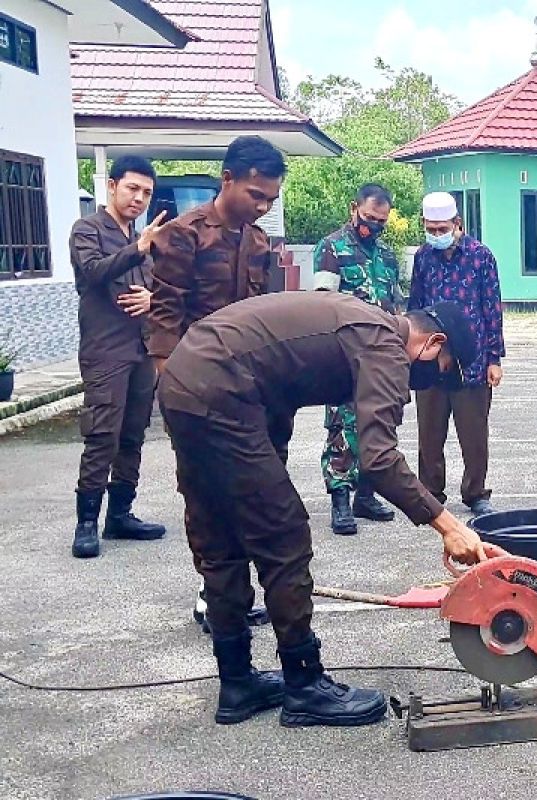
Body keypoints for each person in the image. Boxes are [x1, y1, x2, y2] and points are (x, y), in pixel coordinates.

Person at [157, 291, 503, 727]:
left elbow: (279, 383)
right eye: (440, 371)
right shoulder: (385, 345)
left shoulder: (363, 323)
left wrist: (269, 460)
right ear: (432, 344)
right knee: (283, 534)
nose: (430, 382)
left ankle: (237, 682)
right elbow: (378, 459)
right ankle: (304, 686)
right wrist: (448, 525)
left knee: (222, 531)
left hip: (187, 377)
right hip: (221, 388)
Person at [147, 135, 287, 631]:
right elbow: (164, 318)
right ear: (227, 179)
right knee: (206, 493)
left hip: (250, 390)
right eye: (255, 194)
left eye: (270, 198)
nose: (263, 206)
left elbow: (270, 316)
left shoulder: (259, 241)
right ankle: (212, 592)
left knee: (255, 491)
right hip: (197, 388)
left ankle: (241, 587)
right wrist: (171, 388)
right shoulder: (184, 236)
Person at [69, 156, 170, 559]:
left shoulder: (145, 238)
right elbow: (92, 272)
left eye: (146, 192)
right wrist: (138, 248)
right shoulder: (87, 230)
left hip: (141, 350)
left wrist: (154, 298)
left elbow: (162, 286)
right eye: (132, 188)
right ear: (112, 186)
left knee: (133, 434)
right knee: (102, 434)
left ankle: (120, 514)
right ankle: (86, 523)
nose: (139, 198)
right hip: (105, 351)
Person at [312, 183, 403, 535]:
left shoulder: (388, 256)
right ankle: (340, 500)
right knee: (342, 428)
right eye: (369, 218)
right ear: (354, 209)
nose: (374, 226)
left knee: (378, 425)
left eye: (381, 221)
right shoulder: (331, 248)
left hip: (381, 357)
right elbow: (321, 305)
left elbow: (394, 306)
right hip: (342, 355)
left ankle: (367, 495)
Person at [407, 191, 505, 518]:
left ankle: (476, 492)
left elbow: (492, 309)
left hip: (472, 360)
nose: (436, 235)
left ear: (457, 223)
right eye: (431, 229)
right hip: (430, 357)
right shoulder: (423, 257)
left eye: (442, 228)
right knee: (430, 432)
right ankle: (430, 493)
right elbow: (415, 308)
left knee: (473, 431)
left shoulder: (481, 257)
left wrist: (494, 358)